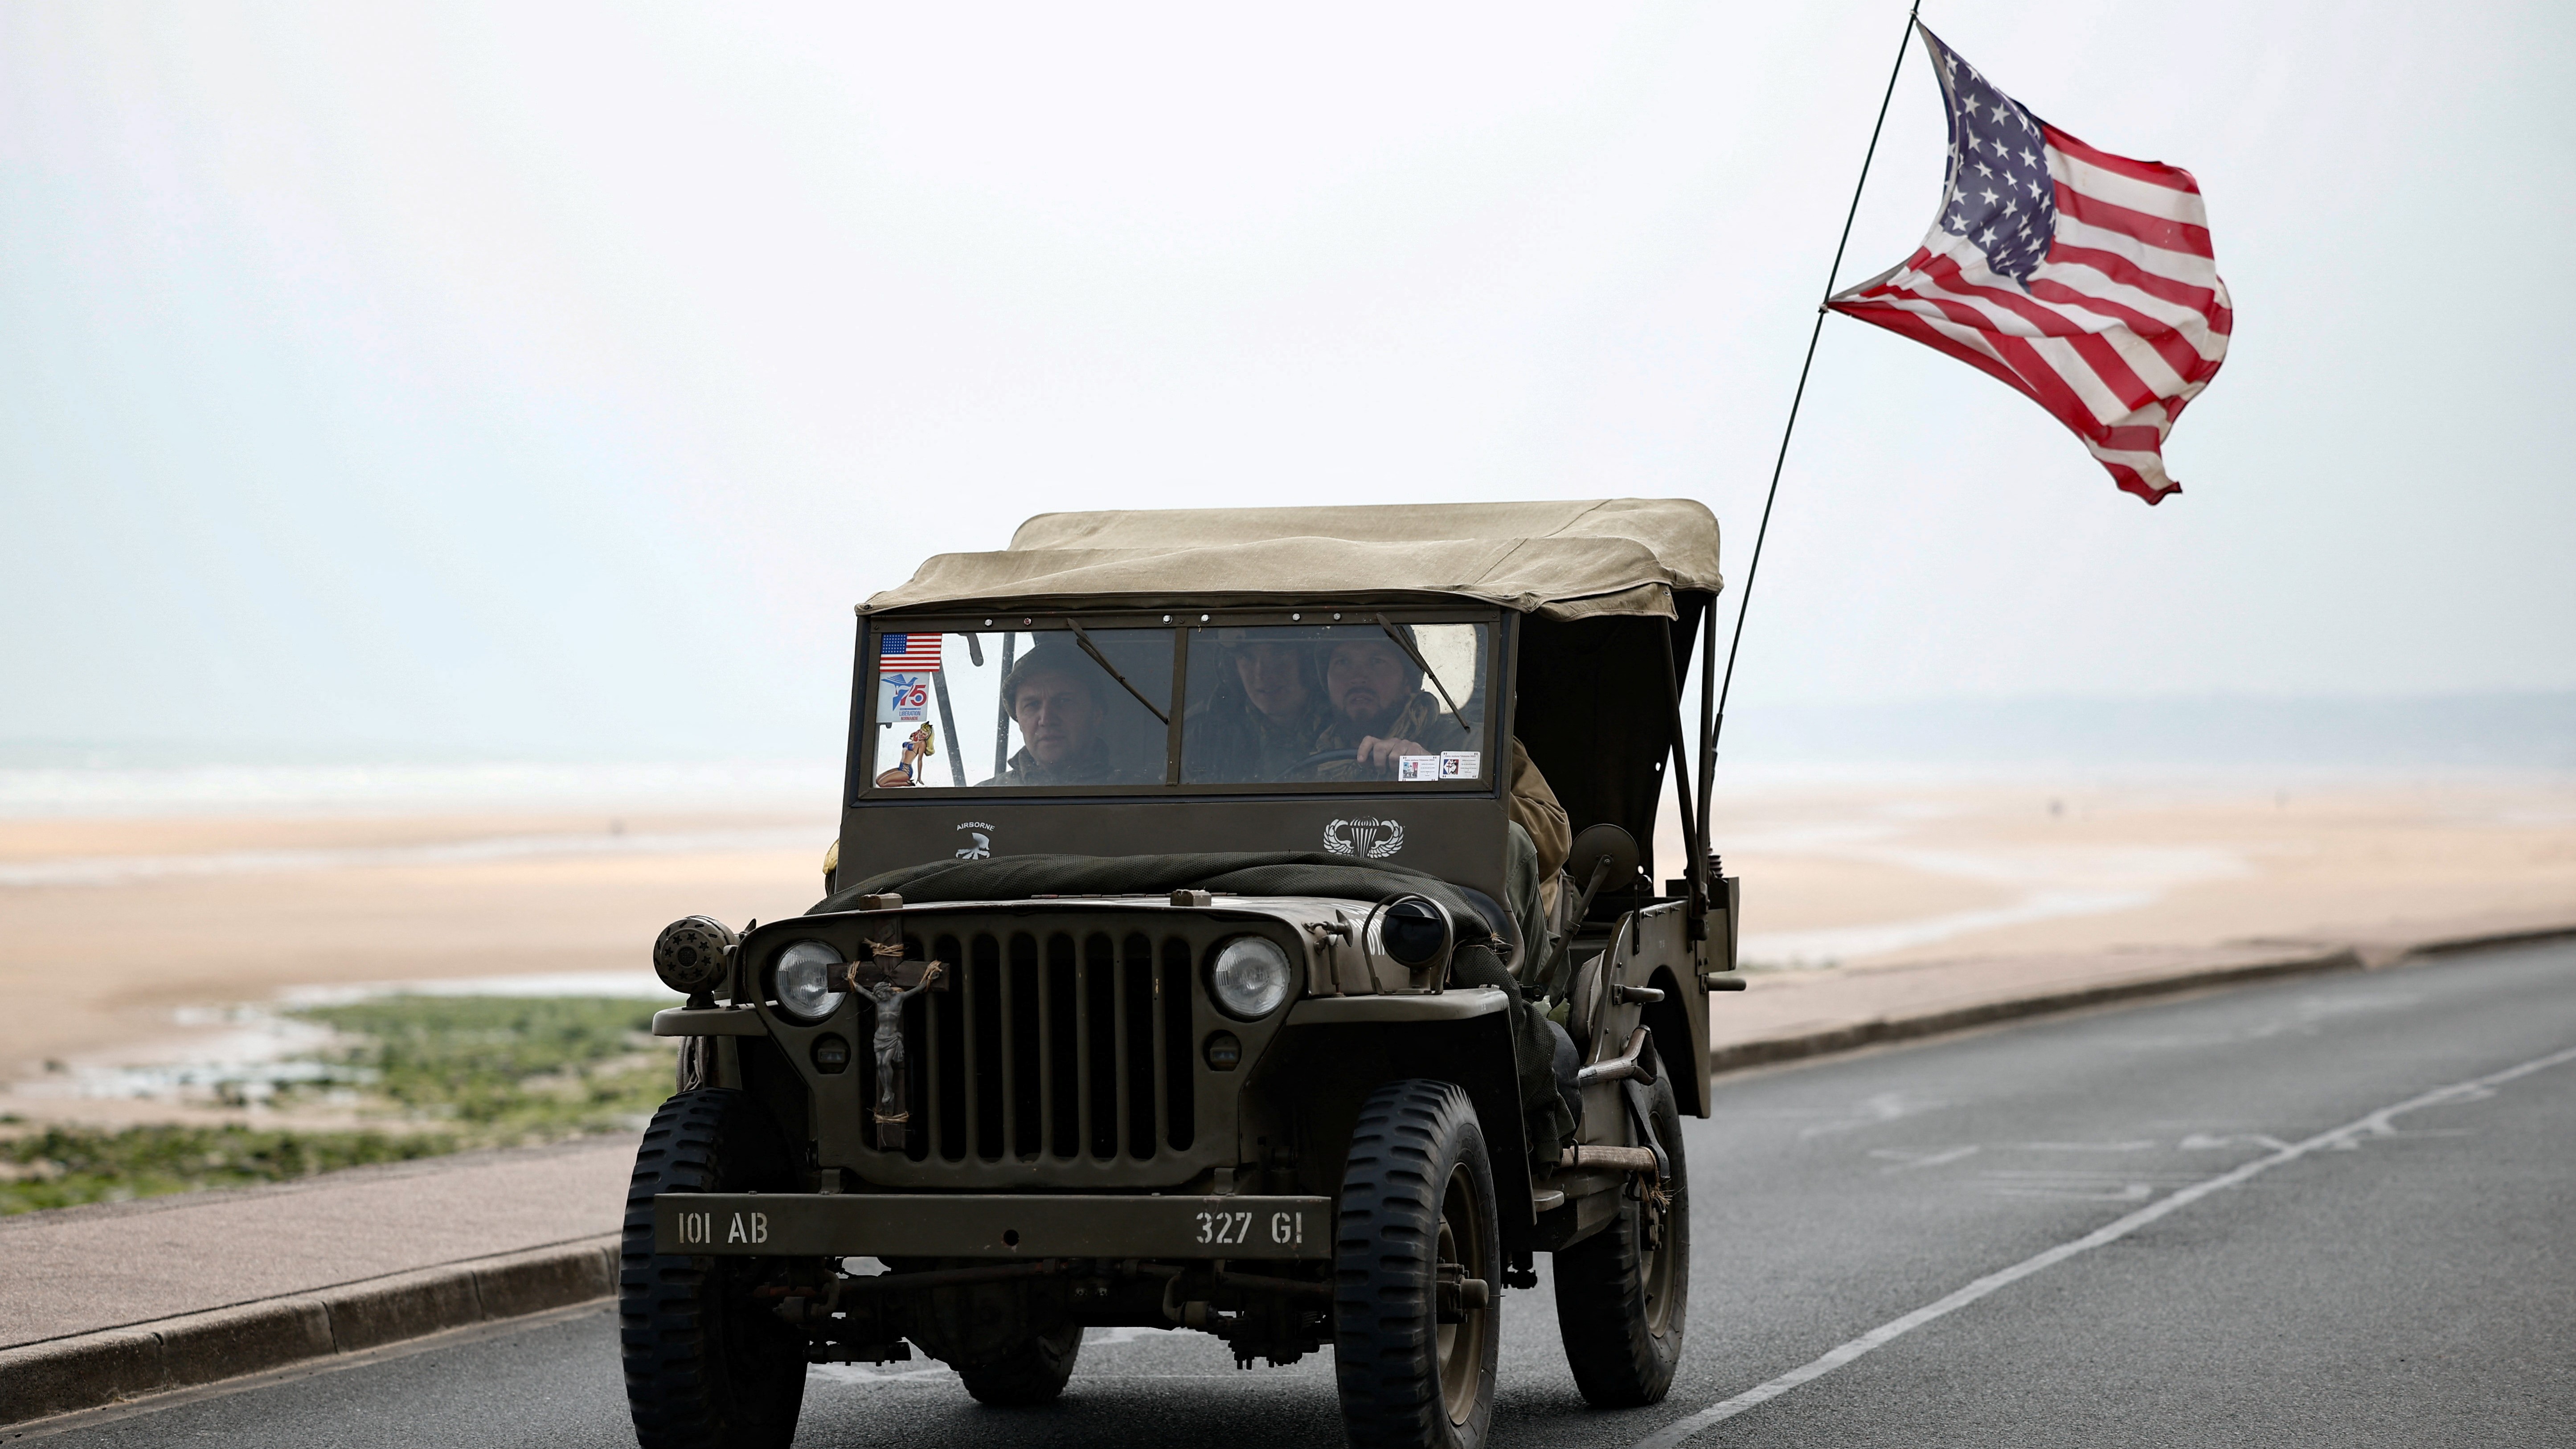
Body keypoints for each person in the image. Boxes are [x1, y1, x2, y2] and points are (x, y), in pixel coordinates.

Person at [1182, 635, 1332, 782]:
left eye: (1278, 654)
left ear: (1309, 663)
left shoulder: (1346, 718)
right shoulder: (1202, 734)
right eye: (1247, 657)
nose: (1262, 674)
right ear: (1232, 668)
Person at [991, 642, 1137, 786]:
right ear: (1019, 720)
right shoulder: (983, 800)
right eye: (1032, 705)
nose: (1046, 719)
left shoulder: (1140, 796)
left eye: (1064, 701)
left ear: (1096, 715)